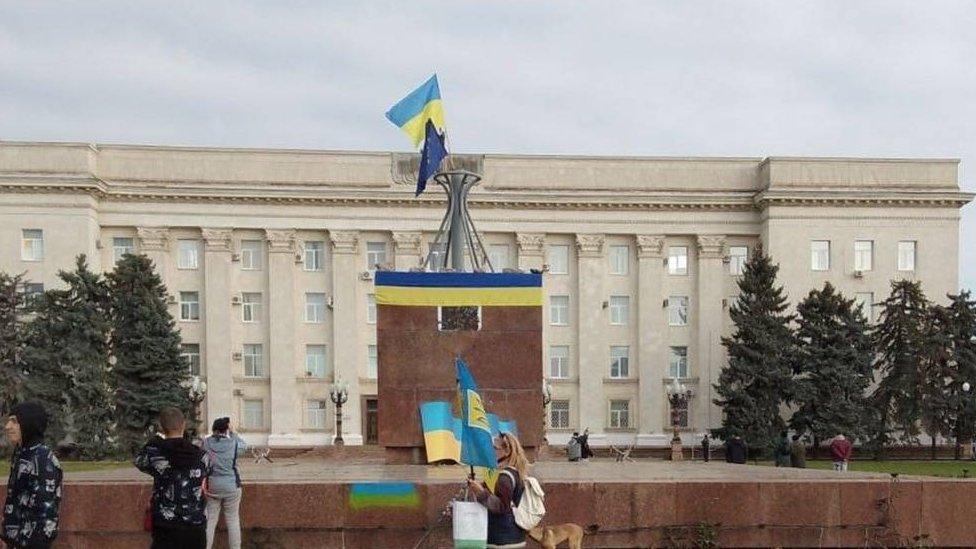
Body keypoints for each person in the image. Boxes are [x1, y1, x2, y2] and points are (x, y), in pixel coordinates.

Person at [135, 407, 211, 549]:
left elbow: (139, 460)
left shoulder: (155, 455)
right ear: (184, 425)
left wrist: (156, 438)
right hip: (195, 524)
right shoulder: (202, 456)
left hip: (165, 525)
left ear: (162, 427)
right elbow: (208, 471)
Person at [1, 402, 63, 549]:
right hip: (14, 541)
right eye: (9, 421)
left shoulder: (42, 458)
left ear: (29, 423)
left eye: (14, 421)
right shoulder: (22, 453)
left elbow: (45, 514)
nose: (7, 426)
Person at [467, 432, 528, 548]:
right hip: (513, 535)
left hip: (502, 539)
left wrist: (480, 492)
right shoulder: (515, 473)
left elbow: (502, 506)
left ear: (507, 451)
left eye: (494, 448)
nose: (490, 451)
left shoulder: (504, 477)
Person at [202, 417, 247, 549]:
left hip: (212, 486)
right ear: (227, 429)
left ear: (214, 429)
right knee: (233, 521)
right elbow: (244, 446)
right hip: (232, 486)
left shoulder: (206, 443)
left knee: (210, 521)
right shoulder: (234, 443)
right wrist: (233, 433)